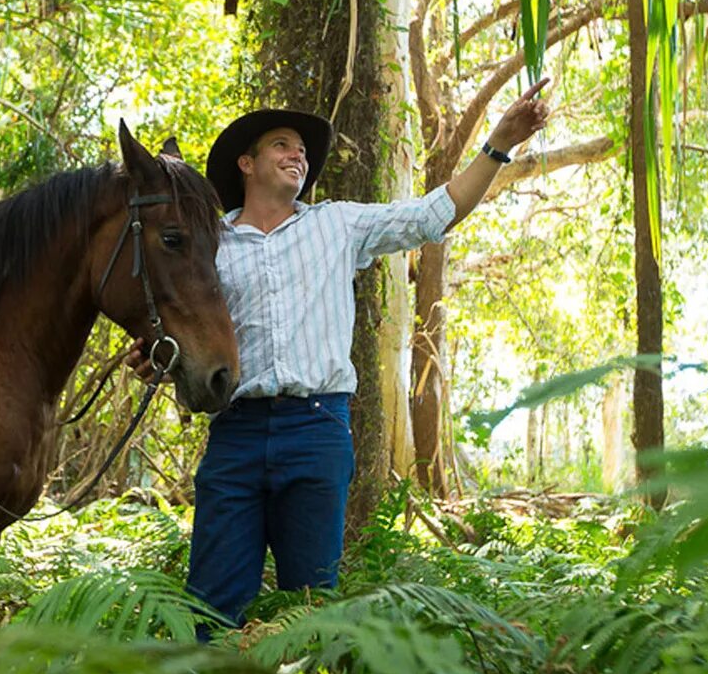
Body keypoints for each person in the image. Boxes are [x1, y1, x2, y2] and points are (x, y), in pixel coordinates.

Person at [179, 77, 551, 634]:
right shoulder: (209, 243)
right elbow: (185, 326)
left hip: (316, 428)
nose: (297, 154)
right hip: (236, 432)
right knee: (210, 605)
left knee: (313, 605)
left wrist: (498, 144)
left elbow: (432, 215)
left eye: (302, 150)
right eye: (282, 144)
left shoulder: (337, 224)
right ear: (246, 163)